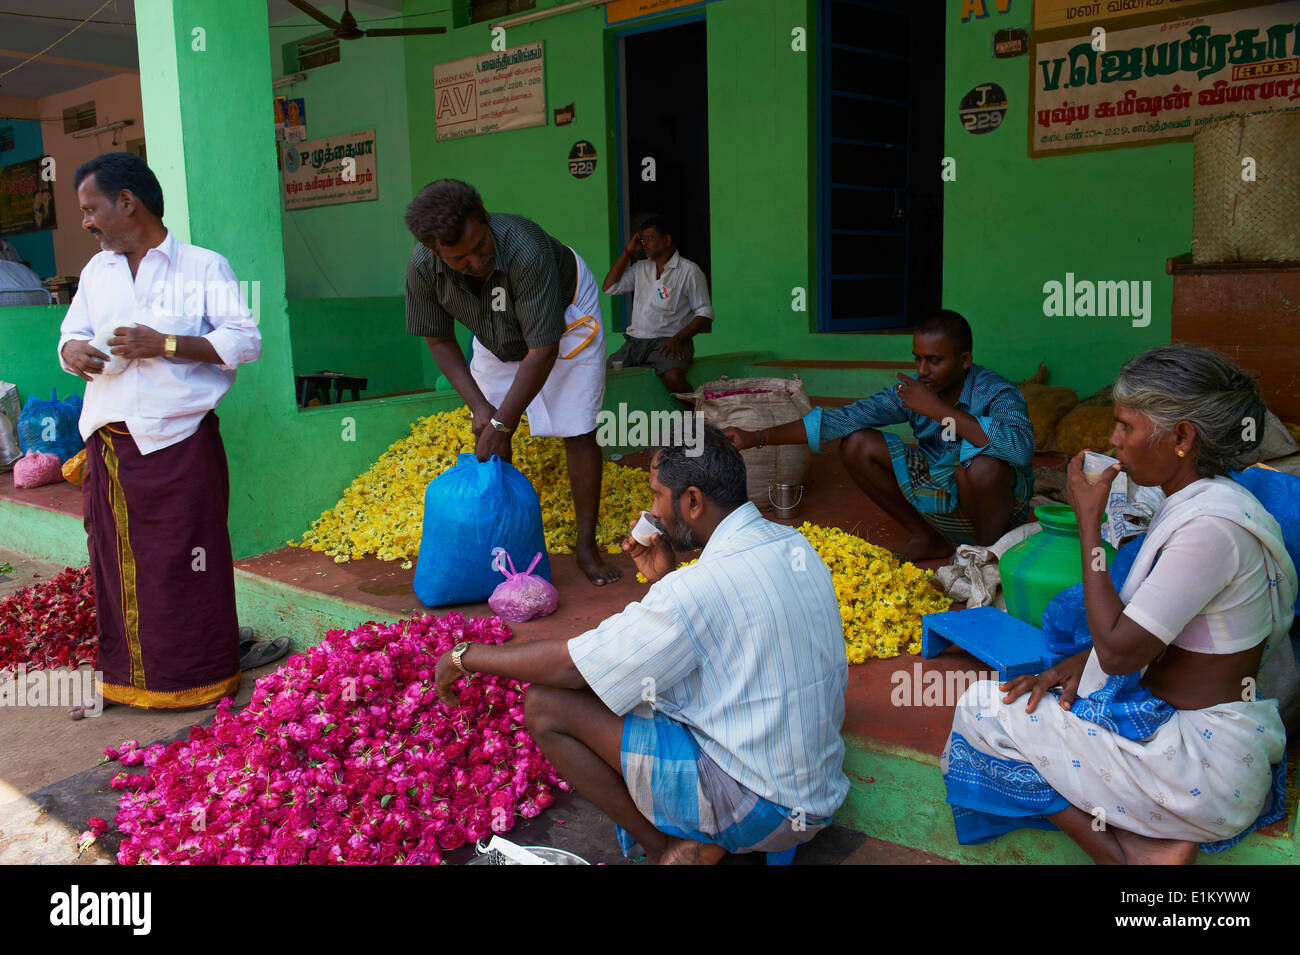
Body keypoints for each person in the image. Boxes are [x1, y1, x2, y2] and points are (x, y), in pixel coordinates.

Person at [941, 346, 1297, 864]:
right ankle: (1150, 836)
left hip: (1203, 765)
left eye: (1125, 426)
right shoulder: (1216, 503)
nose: (1113, 441)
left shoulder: (1209, 530)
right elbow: (1155, 634)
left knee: (979, 712)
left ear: (1180, 438)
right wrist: (1071, 664)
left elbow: (1119, 654)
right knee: (1038, 694)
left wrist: (1089, 521)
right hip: (1211, 745)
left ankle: (1126, 856)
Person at [433, 424, 850, 863]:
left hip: (759, 807)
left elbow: (573, 669)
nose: (653, 512)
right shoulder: (794, 543)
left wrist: (467, 655)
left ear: (691, 501)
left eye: (657, 496)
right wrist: (666, 581)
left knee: (546, 705)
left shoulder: (696, 589)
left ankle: (667, 850)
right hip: (816, 794)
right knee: (633, 684)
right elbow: (718, 630)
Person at [56, 152, 281, 714]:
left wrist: (166, 344)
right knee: (115, 565)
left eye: (91, 209)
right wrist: (72, 351)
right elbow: (71, 334)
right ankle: (127, 677)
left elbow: (245, 342)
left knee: (187, 562)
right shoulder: (96, 273)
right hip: (109, 444)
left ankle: (196, 676)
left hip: (178, 444)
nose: (85, 222)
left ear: (127, 202)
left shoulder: (203, 266)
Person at [404, 179, 619, 585]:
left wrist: (506, 421)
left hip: (566, 316)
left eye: (480, 245)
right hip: (492, 331)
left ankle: (586, 546)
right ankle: (507, 549)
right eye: (459, 259)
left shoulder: (526, 247)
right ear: (436, 252)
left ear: (485, 218)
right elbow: (438, 338)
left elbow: (543, 349)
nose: (476, 261)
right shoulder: (422, 267)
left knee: (578, 426)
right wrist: (484, 410)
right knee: (488, 434)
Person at [726, 310, 1034, 562]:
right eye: (918, 358)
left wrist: (940, 411)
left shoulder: (996, 392)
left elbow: (1021, 450)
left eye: (934, 360)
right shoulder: (915, 390)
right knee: (857, 443)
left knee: (981, 465)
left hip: (998, 510)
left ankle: (985, 556)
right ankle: (927, 539)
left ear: (964, 360)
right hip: (942, 494)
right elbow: (843, 419)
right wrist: (756, 437)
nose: (922, 370)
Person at [602, 214, 714, 396]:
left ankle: (701, 417)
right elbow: (609, 287)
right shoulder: (640, 268)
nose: (644, 244)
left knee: (673, 378)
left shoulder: (689, 271)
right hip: (635, 342)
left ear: (667, 239)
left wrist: (678, 339)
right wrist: (628, 252)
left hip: (669, 342)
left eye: (649, 239)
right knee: (604, 375)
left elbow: (705, 313)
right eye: (642, 239)